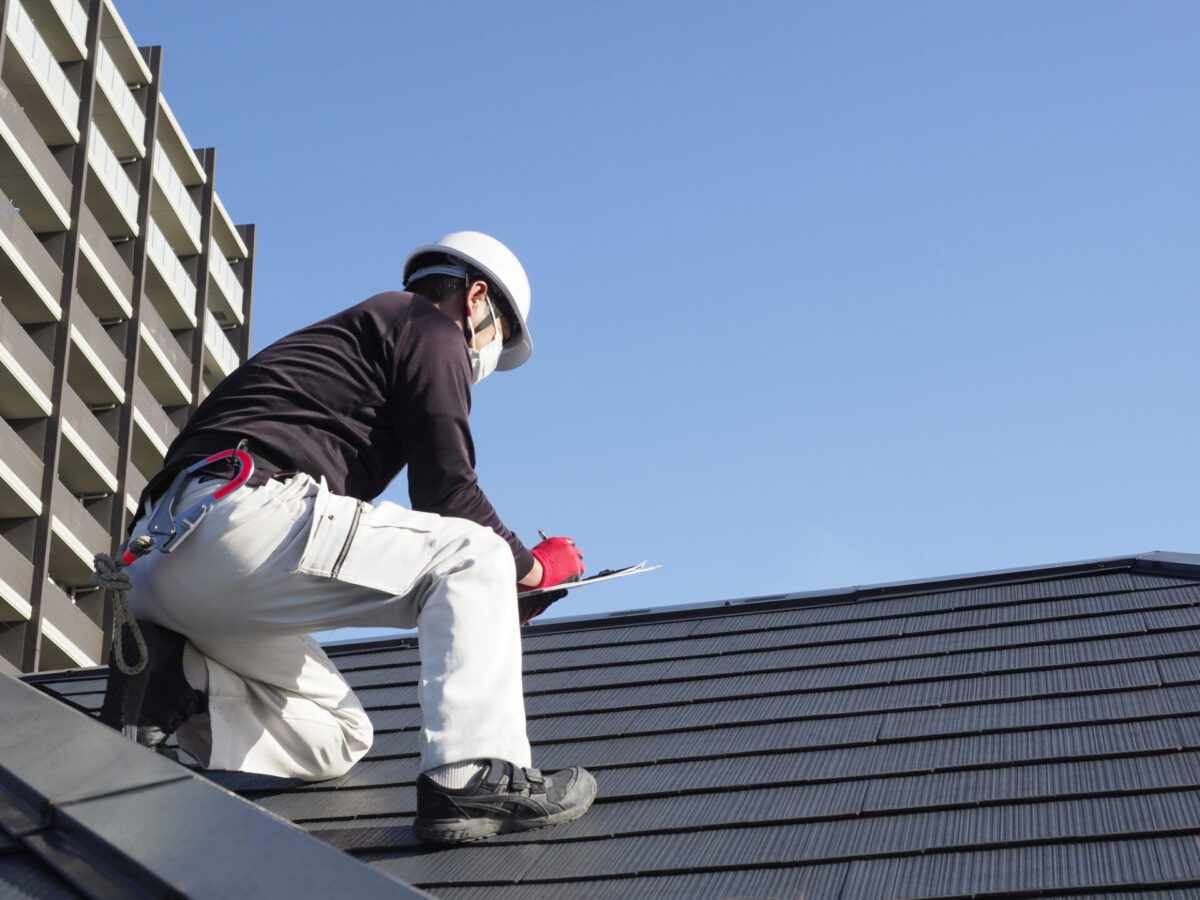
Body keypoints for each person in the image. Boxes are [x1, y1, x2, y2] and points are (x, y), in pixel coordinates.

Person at [99, 231, 596, 845]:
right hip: (243, 519)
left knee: (338, 736)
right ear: (475, 299)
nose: (491, 355)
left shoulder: (341, 344)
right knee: (476, 555)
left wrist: (496, 596)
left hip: (156, 567)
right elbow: (449, 496)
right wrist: (533, 569)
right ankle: (474, 777)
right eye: (500, 336)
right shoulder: (427, 325)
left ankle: (179, 683)